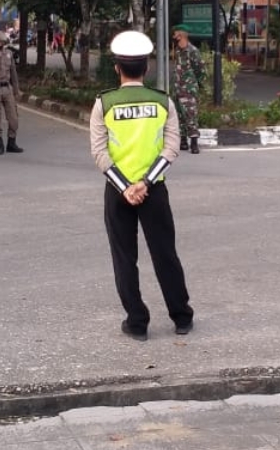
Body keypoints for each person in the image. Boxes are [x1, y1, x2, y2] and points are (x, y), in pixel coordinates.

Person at [90, 30, 194, 341]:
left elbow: (100, 152)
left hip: (117, 191)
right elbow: (171, 149)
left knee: (124, 257)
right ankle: (182, 317)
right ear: (146, 68)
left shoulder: (104, 103)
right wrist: (146, 183)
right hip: (154, 191)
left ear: (117, 67)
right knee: (165, 254)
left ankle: (137, 322)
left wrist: (125, 187)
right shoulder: (163, 102)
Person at [171, 25, 206, 154]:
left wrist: (195, 84)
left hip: (189, 89)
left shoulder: (192, 51)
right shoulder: (178, 50)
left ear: (181, 35)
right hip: (177, 88)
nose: (173, 36)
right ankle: (183, 141)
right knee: (179, 116)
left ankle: (194, 143)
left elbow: (200, 70)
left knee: (191, 115)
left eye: (175, 34)